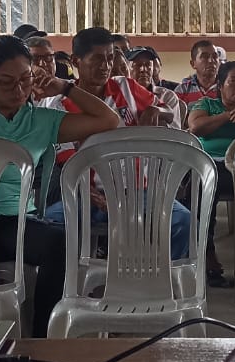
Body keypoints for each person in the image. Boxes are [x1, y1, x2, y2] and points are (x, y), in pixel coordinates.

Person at [0, 36, 119, 336]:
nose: (18, 89)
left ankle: (41, 338)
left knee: (60, 242)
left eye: (25, 80)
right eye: (6, 82)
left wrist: (65, 87)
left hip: (12, 224)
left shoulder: (41, 121)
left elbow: (108, 119)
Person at [41, 27, 190, 261]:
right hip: (89, 196)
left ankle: (161, 277)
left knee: (183, 221)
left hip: (138, 191)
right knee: (51, 225)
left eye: (110, 58)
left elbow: (169, 112)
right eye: (97, 59)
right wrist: (90, 194)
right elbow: (67, 162)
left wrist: (155, 110)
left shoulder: (125, 87)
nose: (106, 66)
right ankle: (74, 280)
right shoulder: (60, 104)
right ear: (76, 61)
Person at [187, 60, 235, 286]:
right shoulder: (207, 104)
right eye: (233, 81)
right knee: (201, 187)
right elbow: (196, 127)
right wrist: (228, 116)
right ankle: (207, 254)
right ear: (220, 85)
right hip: (212, 165)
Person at [126, 47, 185, 127]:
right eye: (138, 65)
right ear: (127, 69)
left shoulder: (167, 96)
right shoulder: (120, 95)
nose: (144, 69)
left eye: (148, 65)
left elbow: (174, 131)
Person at [175, 39, 223, 106]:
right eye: (205, 57)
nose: (211, 60)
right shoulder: (182, 90)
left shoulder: (226, 87)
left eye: (215, 56)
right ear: (193, 64)